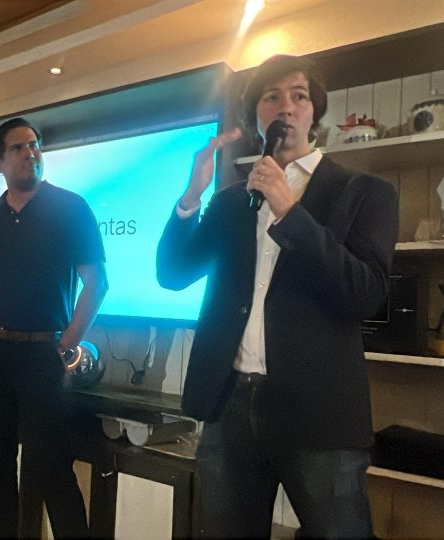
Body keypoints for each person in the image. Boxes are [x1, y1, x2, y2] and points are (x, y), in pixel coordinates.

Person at [156, 55, 398, 538]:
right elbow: (173, 274)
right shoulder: (232, 200)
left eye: (298, 95)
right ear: (256, 118)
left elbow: (365, 294)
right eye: (271, 97)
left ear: (314, 113)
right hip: (229, 406)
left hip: (319, 414)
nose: (285, 106)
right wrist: (190, 197)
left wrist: (290, 212)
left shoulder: (365, 192)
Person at [0, 117, 108, 539]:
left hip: (42, 356)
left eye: (35, 144)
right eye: (18, 147)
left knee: (52, 468)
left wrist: (68, 342)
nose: (30, 153)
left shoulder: (71, 207)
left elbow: (97, 283)